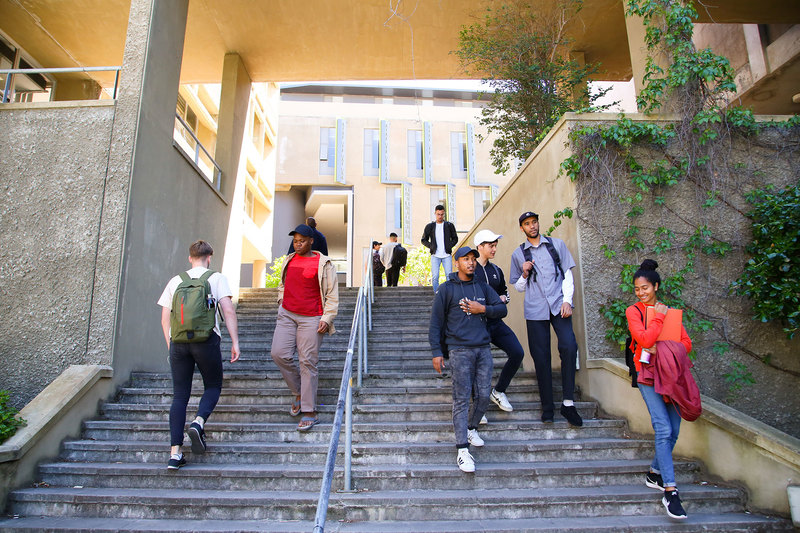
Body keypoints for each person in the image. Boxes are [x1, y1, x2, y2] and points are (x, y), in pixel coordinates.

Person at [157, 240, 240, 470]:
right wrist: (235, 341)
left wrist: (171, 345)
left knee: (179, 396)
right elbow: (228, 310)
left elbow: (165, 318)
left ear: (190, 257)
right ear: (209, 257)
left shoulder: (176, 281)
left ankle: (175, 454)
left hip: (179, 344)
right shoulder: (216, 278)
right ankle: (198, 421)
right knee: (212, 386)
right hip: (206, 340)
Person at [429, 246, 507, 473]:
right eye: (466, 259)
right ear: (456, 263)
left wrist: (482, 308)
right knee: (461, 399)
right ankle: (462, 449)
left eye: (473, 259)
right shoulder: (446, 290)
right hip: (459, 350)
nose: (471, 262)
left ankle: (471, 427)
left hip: (483, 348)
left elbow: (501, 309)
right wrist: (437, 351)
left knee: (484, 394)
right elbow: (435, 323)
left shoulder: (482, 286)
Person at [626, 259, 692, 520]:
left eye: (645, 288)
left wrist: (664, 348)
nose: (641, 293)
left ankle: (654, 472)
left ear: (655, 286)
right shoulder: (634, 311)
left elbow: (686, 343)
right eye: (637, 289)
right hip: (647, 376)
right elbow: (643, 339)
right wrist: (659, 320)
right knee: (663, 428)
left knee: (674, 430)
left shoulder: (672, 313)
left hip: (671, 376)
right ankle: (670, 491)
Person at [509, 211, 583, 427]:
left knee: (569, 346)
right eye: (527, 224)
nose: (532, 226)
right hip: (535, 309)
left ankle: (568, 404)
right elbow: (518, 288)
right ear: (521, 228)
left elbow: (567, 274)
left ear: (538, 224)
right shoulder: (518, 254)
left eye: (534, 222)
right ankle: (548, 407)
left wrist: (567, 300)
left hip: (559, 304)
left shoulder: (556, 245)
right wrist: (523, 273)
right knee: (541, 357)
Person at [271, 224, 339, 431]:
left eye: (302, 241)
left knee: (307, 361)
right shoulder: (289, 260)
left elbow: (332, 295)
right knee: (278, 353)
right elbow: (283, 284)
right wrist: (282, 301)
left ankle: (309, 410)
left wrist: (327, 318)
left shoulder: (324, 264)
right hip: (287, 314)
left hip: (312, 317)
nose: (297, 244)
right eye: (295, 241)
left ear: (311, 241)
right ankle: (300, 392)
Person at [473, 229, 525, 413]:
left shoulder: (496, 270)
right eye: (491, 246)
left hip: (496, 322)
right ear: (480, 247)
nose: (494, 249)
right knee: (479, 363)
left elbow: (505, 293)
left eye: (495, 245)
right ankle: (477, 408)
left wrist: (502, 298)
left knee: (517, 353)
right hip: (477, 325)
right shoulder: (470, 270)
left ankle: (499, 391)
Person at [421, 204, 459, 292]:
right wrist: (431, 246)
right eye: (438, 214)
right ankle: (437, 294)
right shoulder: (430, 226)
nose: (440, 216)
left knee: (449, 276)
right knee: (435, 277)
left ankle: (449, 294)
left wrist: (449, 245)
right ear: (435, 213)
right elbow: (423, 240)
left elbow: (455, 238)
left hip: (446, 255)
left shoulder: (449, 225)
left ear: (444, 214)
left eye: (442, 214)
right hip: (435, 255)